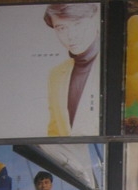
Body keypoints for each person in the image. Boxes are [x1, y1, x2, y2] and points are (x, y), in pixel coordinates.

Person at [44, 3, 100, 136]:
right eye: (61, 28)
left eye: (77, 24)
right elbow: (54, 132)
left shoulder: (118, 61)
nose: (71, 35)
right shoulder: (56, 74)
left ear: (94, 19)